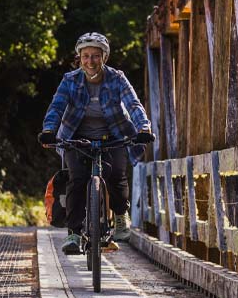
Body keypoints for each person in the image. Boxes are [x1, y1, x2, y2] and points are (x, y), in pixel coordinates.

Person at [38, 32, 155, 254]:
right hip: (76, 137)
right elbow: (56, 107)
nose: (90, 61)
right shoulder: (70, 80)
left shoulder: (117, 78)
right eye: (86, 56)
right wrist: (49, 130)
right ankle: (73, 233)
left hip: (113, 135)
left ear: (104, 57)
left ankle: (120, 216)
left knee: (116, 174)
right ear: (79, 57)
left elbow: (133, 104)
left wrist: (143, 128)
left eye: (95, 56)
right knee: (77, 179)